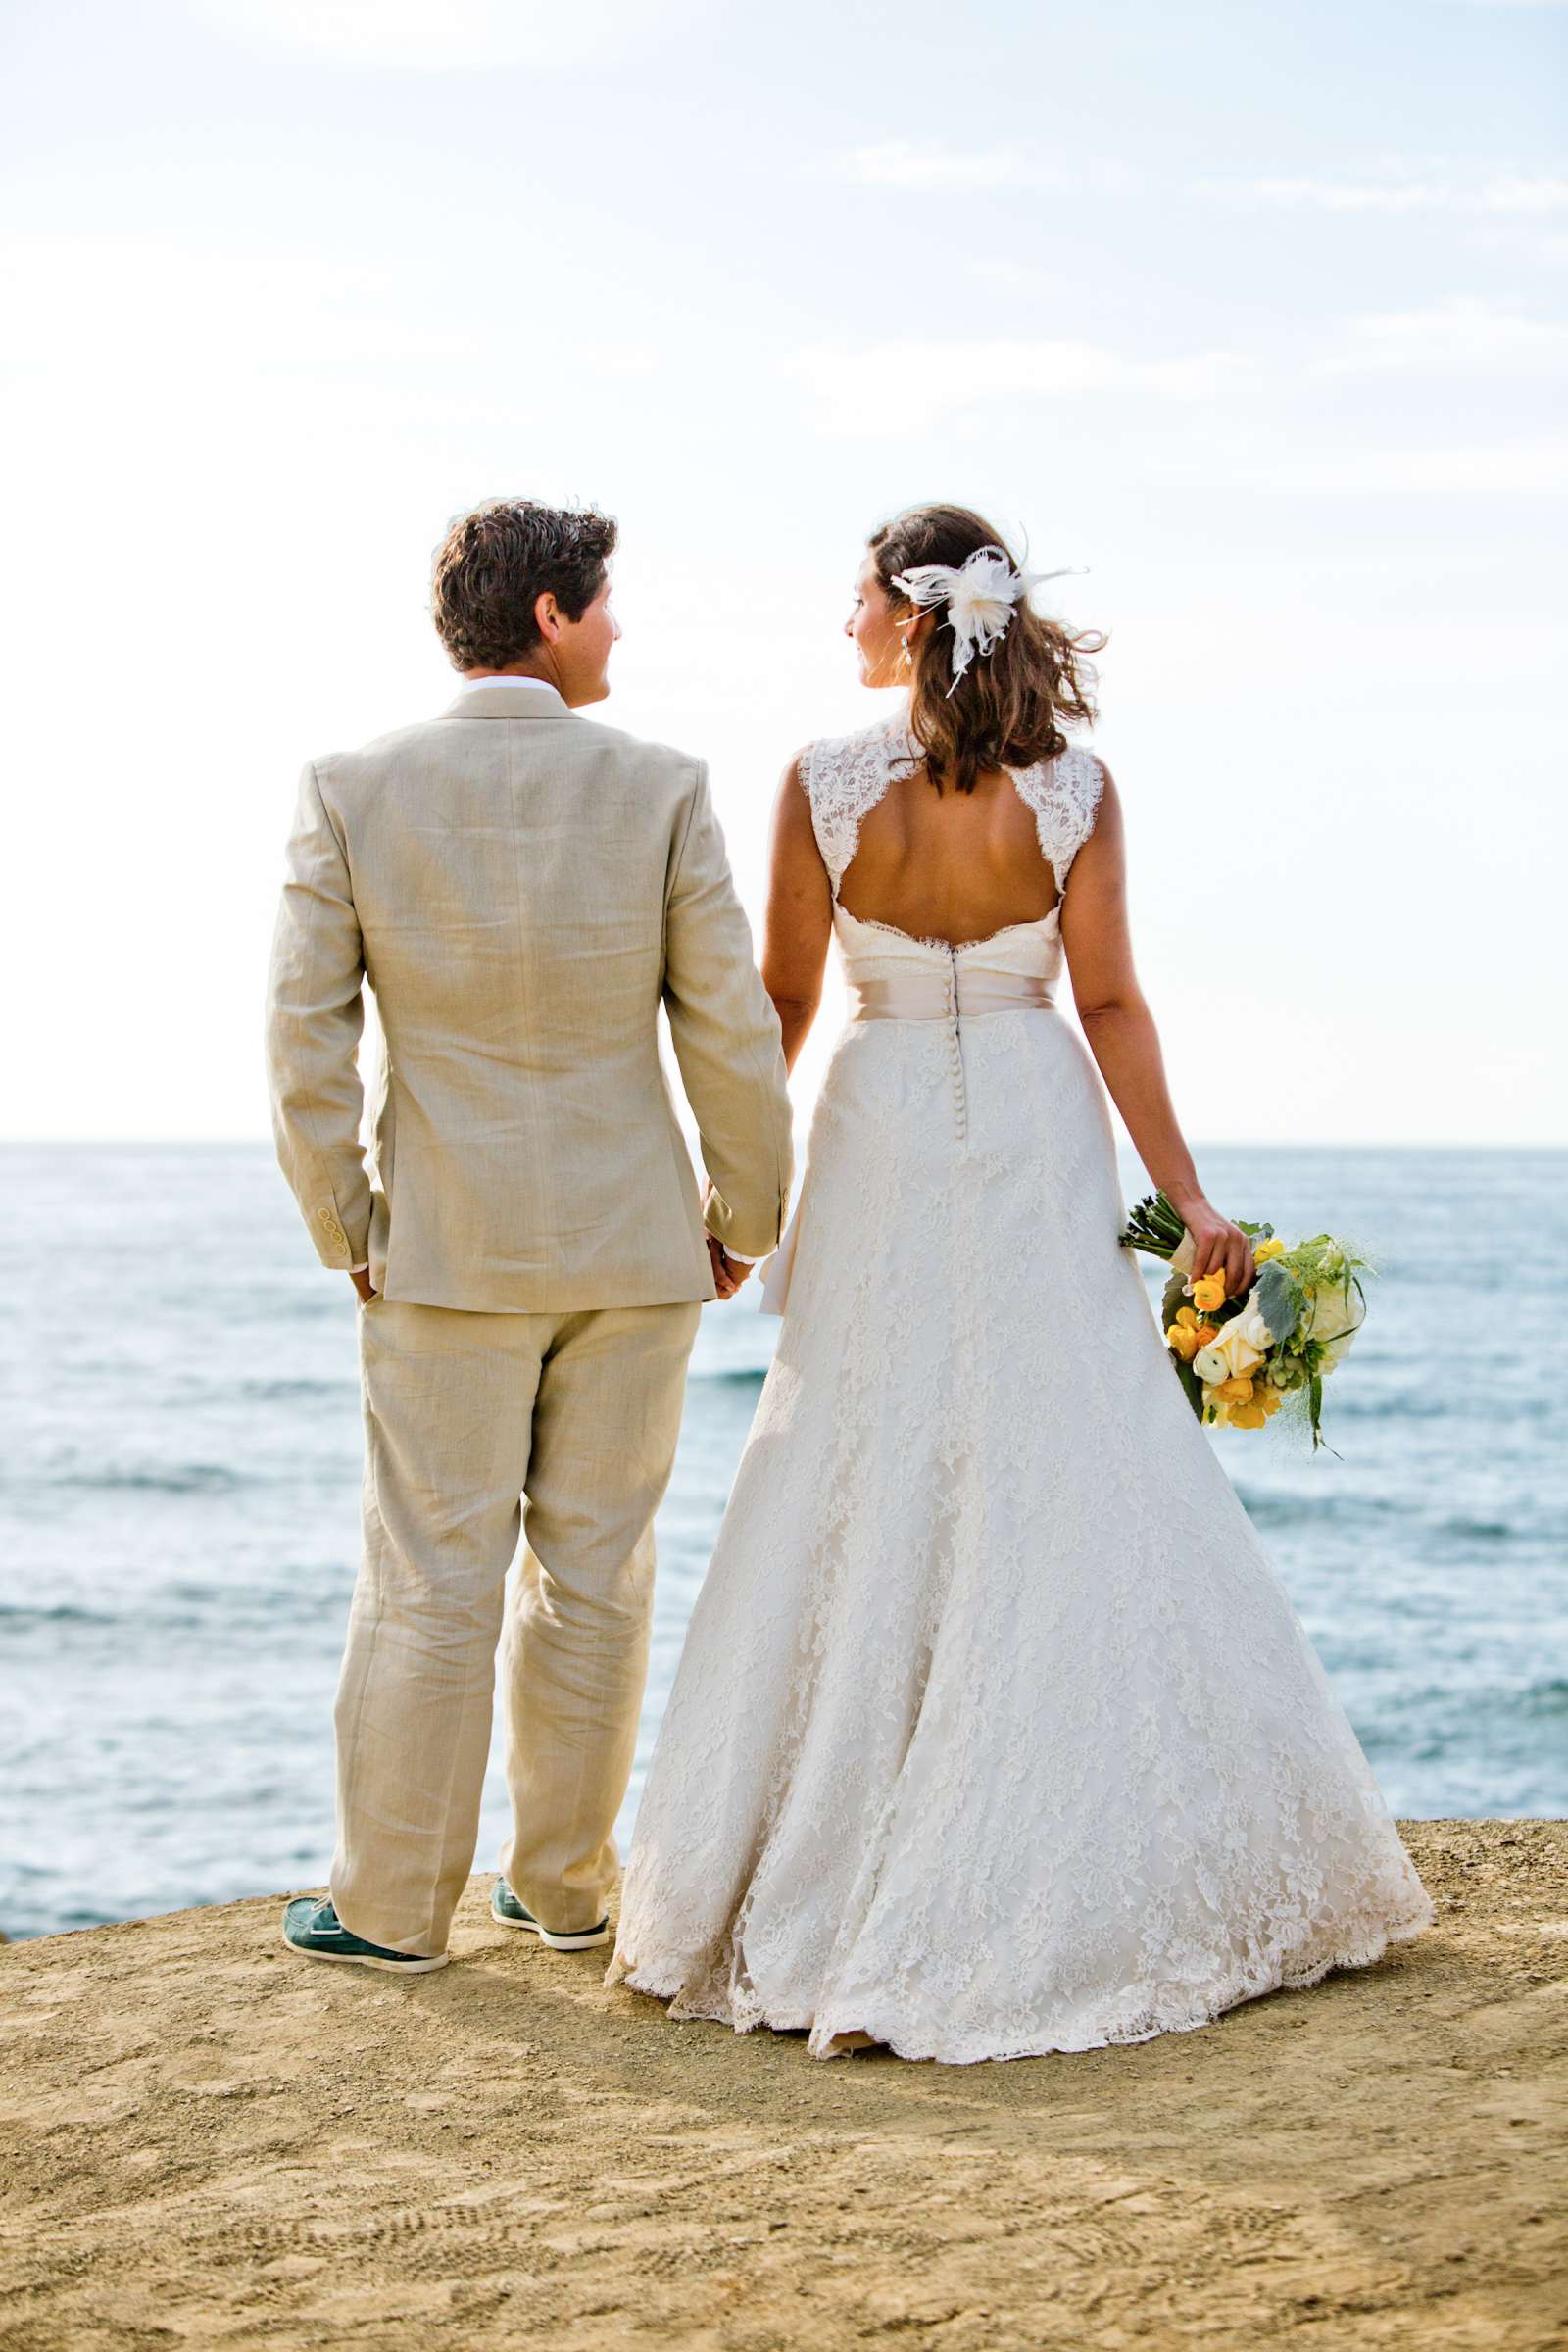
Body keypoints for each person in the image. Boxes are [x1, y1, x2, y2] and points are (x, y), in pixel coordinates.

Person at [609, 503, 1435, 2062]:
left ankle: (831, 1841)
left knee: (862, 1435)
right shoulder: (1076, 788)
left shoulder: (820, 781)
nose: (839, 618)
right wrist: (1185, 1192)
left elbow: (785, 1003)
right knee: (1070, 1439)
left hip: (878, 1122)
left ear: (907, 613)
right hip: (1040, 1117)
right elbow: (1110, 996)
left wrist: (721, 1198)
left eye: (854, 594)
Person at [266, 498, 792, 1973]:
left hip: (444, 1257)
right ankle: (563, 1889)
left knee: (432, 1577)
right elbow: (731, 1035)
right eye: (607, 601)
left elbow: (304, 1039)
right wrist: (743, 1215)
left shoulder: (352, 787)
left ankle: (388, 1910)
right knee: (598, 1572)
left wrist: (346, 1227)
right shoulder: (663, 786)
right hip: (636, 1255)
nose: (620, 627)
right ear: (551, 613)